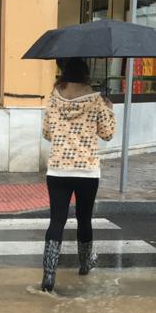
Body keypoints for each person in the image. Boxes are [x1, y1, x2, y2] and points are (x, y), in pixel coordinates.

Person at [39, 58, 116, 293]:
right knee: (84, 219)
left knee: (57, 221)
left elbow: (47, 133)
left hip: (58, 170)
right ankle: (84, 264)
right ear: (85, 76)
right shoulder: (96, 101)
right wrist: (109, 109)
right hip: (87, 171)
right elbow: (108, 134)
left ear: (64, 74)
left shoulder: (54, 98)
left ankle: (49, 275)